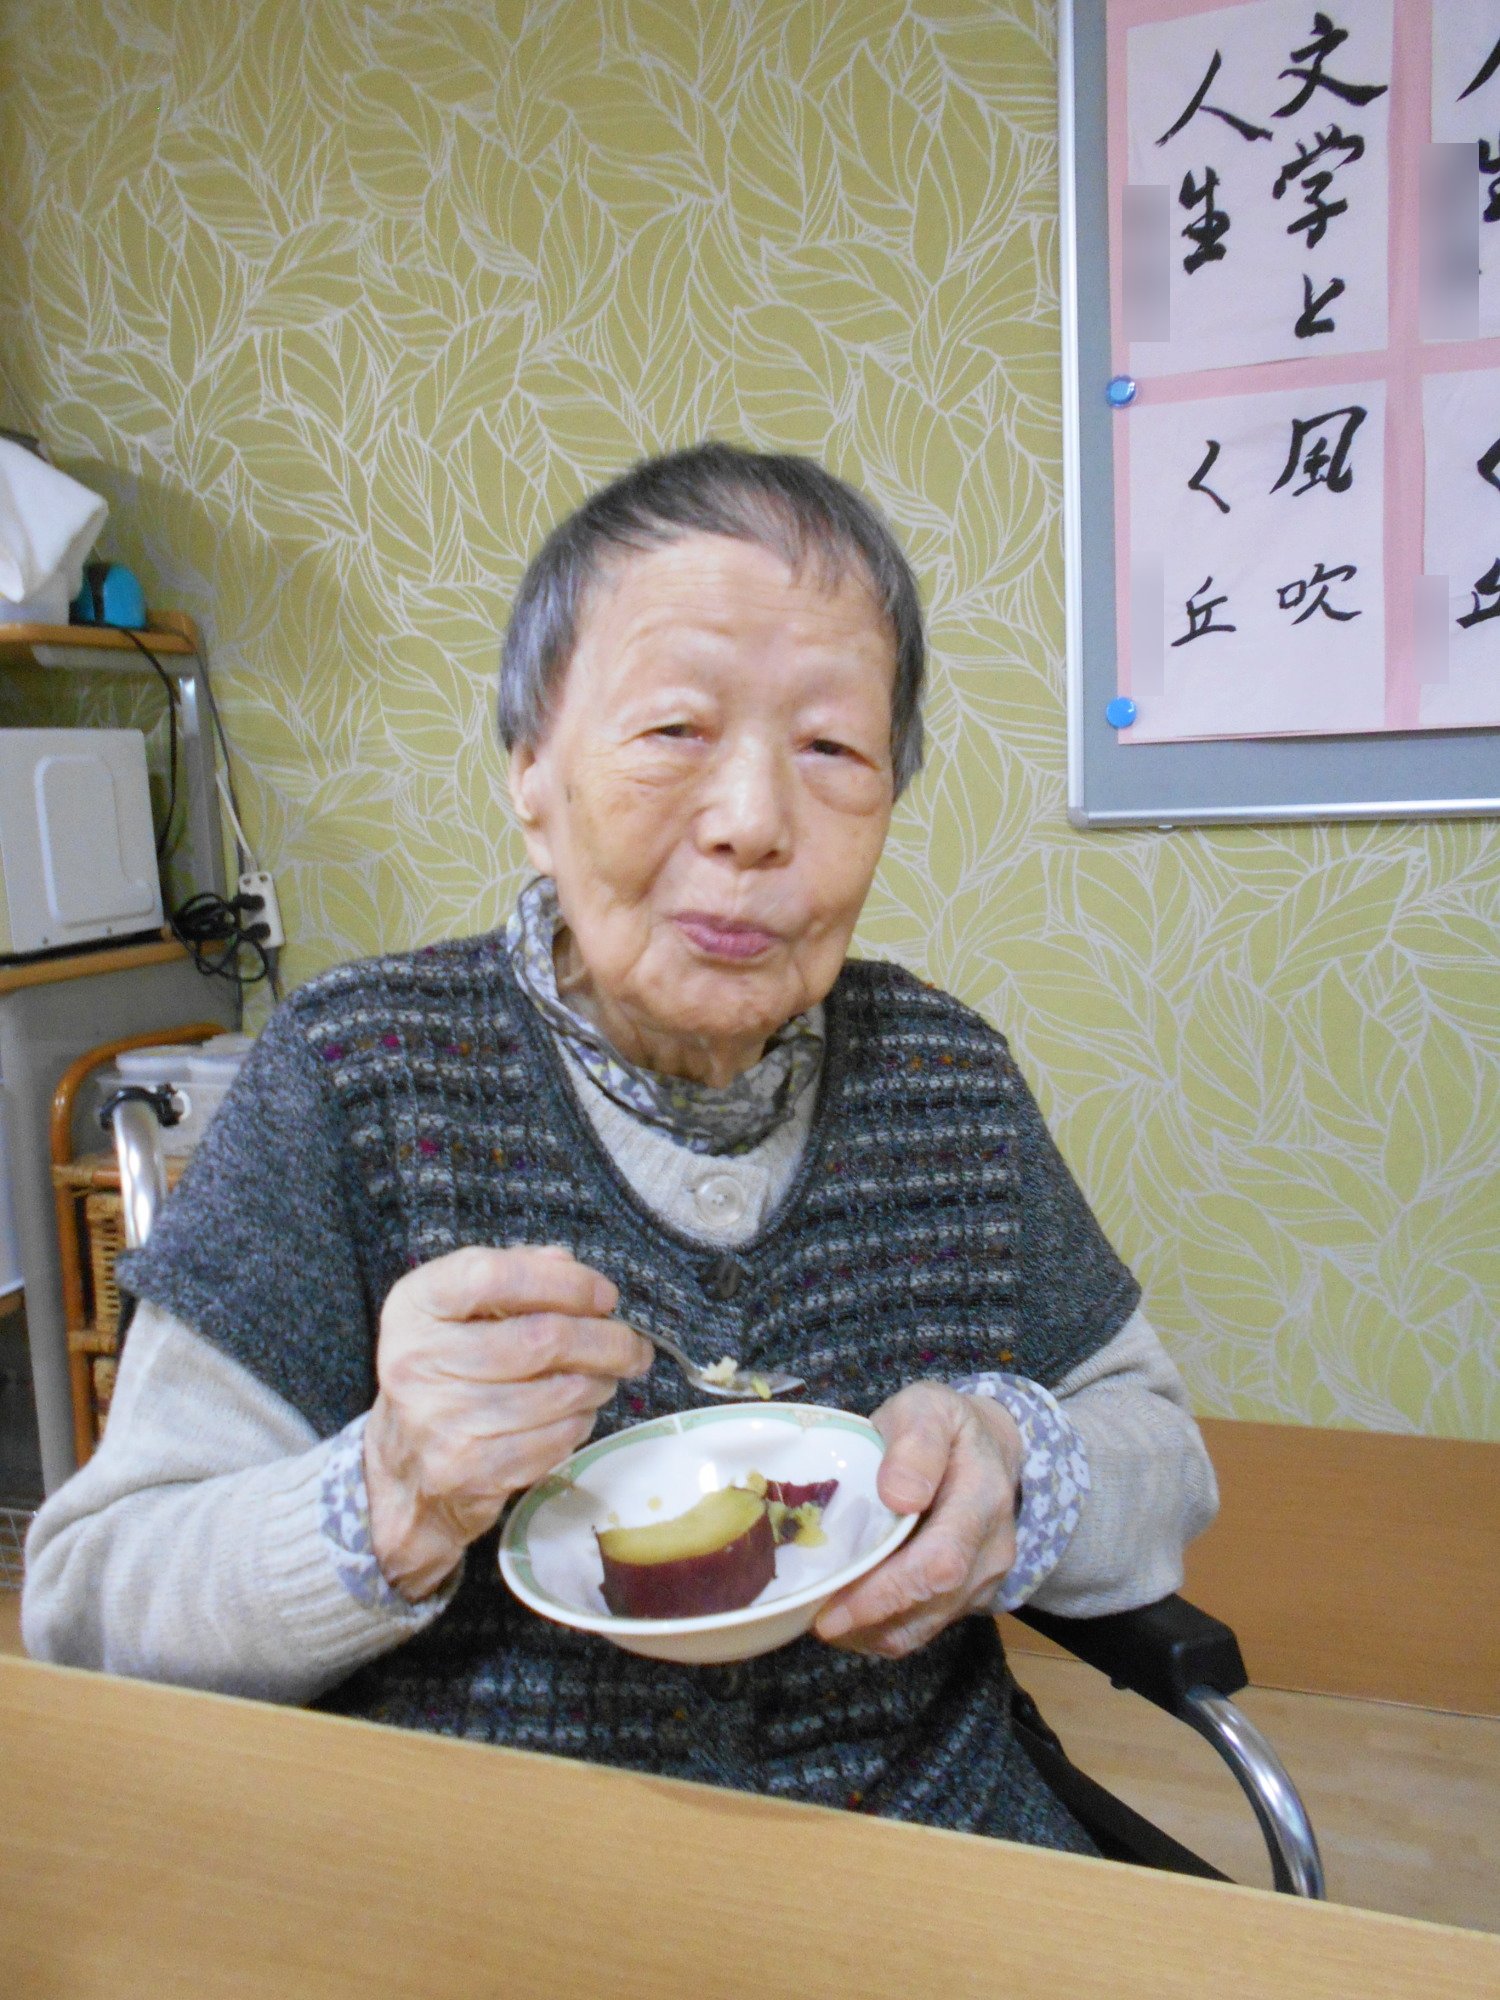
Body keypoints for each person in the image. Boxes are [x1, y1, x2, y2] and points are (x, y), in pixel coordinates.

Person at [23, 443, 1216, 1853]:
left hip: (924, 1855)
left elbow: (1161, 1454)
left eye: (834, 749)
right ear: (532, 775)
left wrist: (1018, 1465)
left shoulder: (945, 1077)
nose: (756, 824)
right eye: (673, 732)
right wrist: (385, 1497)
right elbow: (92, 1600)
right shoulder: (359, 1078)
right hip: (486, 1881)